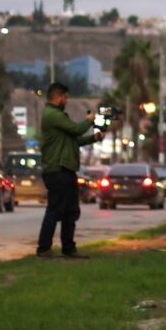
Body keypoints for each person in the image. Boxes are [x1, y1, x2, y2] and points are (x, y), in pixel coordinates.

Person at [36, 82, 102, 259]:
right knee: (55, 209)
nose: (67, 100)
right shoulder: (52, 115)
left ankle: (68, 248)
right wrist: (89, 120)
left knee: (70, 211)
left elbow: (74, 139)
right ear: (57, 97)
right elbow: (76, 129)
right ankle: (43, 249)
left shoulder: (58, 116)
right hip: (57, 170)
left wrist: (94, 138)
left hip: (65, 169)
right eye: (65, 97)